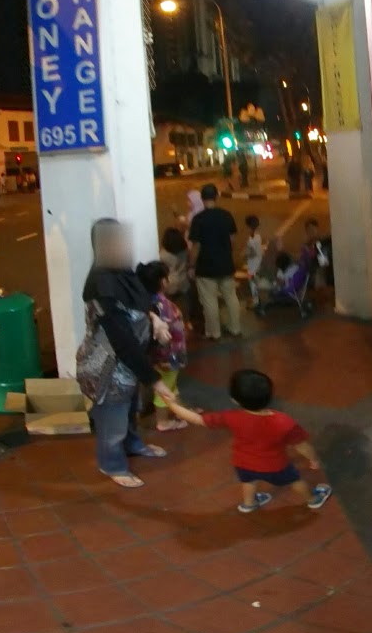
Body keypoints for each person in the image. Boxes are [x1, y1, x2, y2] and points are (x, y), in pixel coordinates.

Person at [160, 368, 332, 513]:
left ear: (235, 399)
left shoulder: (230, 417)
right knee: (294, 480)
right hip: (275, 465)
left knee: (249, 481)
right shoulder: (283, 421)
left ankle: (248, 504)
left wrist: (172, 405)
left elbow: (197, 419)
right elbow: (301, 445)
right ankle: (312, 499)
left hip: (242, 462)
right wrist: (314, 459)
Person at [79, 218, 170, 488]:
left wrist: (155, 319)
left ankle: (133, 445)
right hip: (109, 366)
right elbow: (121, 338)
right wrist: (153, 379)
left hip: (128, 364)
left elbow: (144, 301)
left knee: (130, 409)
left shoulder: (124, 274)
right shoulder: (101, 285)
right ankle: (112, 464)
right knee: (113, 418)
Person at [137, 260, 189, 433]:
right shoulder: (161, 306)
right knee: (164, 390)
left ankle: (182, 412)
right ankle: (163, 421)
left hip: (161, 356)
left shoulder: (148, 303)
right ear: (162, 281)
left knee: (172, 384)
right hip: (167, 356)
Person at [187, 183, 244, 340]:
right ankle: (235, 328)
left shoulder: (198, 220)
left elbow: (196, 246)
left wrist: (191, 265)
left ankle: (214, 332)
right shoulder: (226, 216)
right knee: (231, 297)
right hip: (225, 264)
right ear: (216, 197)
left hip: (206, 267)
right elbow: (233, 240)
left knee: (209, 301)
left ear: (202, 199)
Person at [242, 214, 268, 305]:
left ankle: (256, 301)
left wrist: (245, 254)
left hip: (252, 265)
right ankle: (257, 299)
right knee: (256, 281)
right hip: (258, 262)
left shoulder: (251, 238)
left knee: (252, 283)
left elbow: (252, 253)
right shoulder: (258, 236)